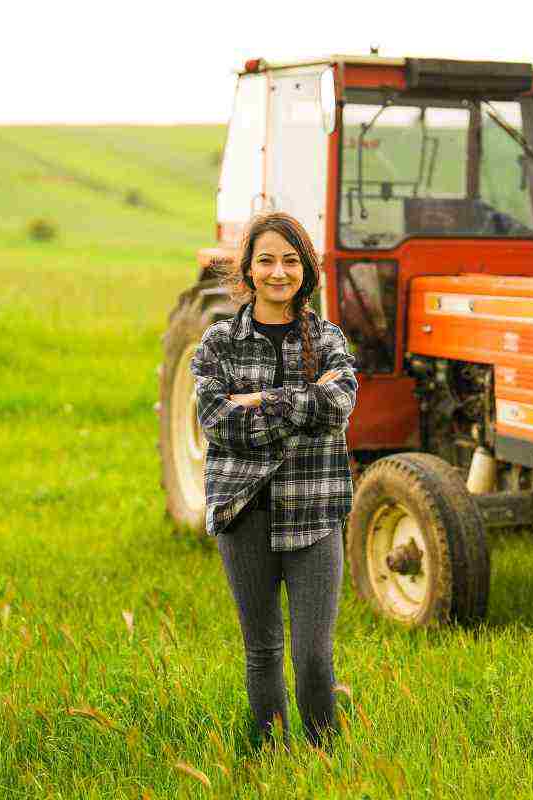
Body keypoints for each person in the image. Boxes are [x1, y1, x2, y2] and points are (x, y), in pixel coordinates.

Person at [189, 211, 358, 750]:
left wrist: (261, 399)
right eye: (266, 260)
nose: (278, 272)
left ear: (306, 270)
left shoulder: (329, 338)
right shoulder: (218, 343)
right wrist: (301, 405)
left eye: (290, 261)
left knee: (314, 656)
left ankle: (323, 759)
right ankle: (270, 758)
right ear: (248, 269)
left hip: (315, 512)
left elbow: (339, 406)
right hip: (244, 513)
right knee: (262, 651)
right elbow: (218, 422)